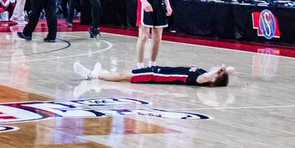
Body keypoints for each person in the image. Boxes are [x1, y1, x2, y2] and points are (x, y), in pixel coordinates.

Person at [75, 61, 233, 86]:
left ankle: (92, 75)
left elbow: (209, 77)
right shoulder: (206, 74)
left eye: (218, 72)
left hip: (155, 76)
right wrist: (223, 70)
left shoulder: (201, 79)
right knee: (124, 73)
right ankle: (101, 73)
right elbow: (230, 70)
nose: (217, 69)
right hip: (159, 70)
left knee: (124, 75)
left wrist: (217, 72)